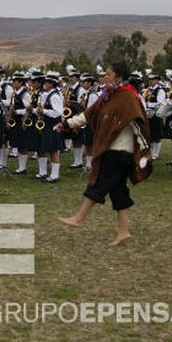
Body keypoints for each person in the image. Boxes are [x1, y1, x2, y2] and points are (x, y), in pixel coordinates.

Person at [58, 62, 152, 247]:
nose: (104, 77)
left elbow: (137, 124)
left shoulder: (128, 97)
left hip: (121, 153)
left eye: (108, 74)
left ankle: (79, 218)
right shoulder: (107, 96)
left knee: (99, 184)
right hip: (111, 151)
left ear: (118, 77)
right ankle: (123, 232)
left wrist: (146, 152)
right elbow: (88, 115)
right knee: (118, 192)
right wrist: (67, 124)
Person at [36, 72, 65, 183]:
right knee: (51, 150)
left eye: (47, 82)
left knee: (54, 151)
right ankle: (52, 174)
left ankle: (55, 175)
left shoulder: (54, 96)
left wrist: (44, 111)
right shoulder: (48, 95)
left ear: (52, 84)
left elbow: (58, 112)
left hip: (54, 125)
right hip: (48, 124)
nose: (45, 84)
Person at [7, 72, 31, 174]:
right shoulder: (14, 93)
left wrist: (16, 112)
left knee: (22, 145)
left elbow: (29, 109)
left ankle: (23, 167)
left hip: (22, 121)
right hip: (15, 120)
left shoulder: (25, 94)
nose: (13, 83)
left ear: (20, 82)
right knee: (18, 143)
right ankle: (21, 167)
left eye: (15, 81)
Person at [144, 72, 167, 161]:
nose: (151, 81)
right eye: (150, 80)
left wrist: (148, 104)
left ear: (157, 80)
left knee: (157, 136)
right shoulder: (148, 90)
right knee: (150, 134)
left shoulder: (160, 90)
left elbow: (160, 103)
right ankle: (150, 152)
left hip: (157, 114)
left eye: (153, 79)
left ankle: (155, 154)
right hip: (148, 115)